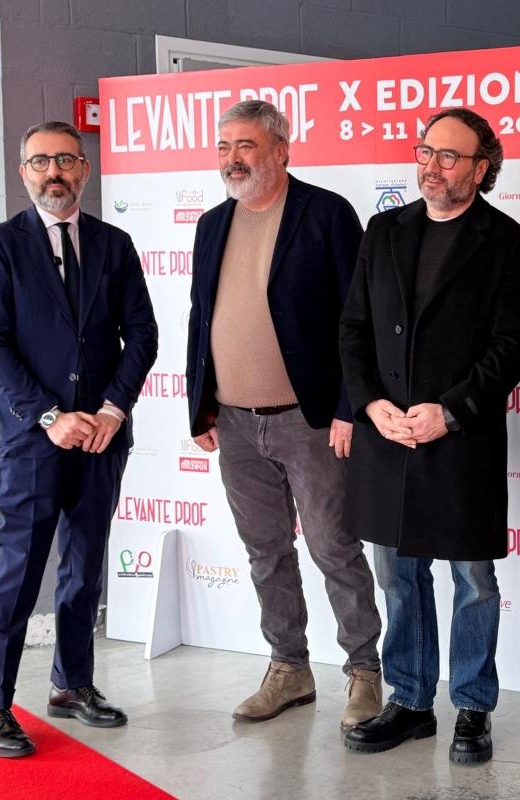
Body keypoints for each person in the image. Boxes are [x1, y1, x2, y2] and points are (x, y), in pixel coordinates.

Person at [339, 108, 520, 764]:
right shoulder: (383, 230)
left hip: (460, 439)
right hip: (387, 437)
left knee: (473, 580)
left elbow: (512, 345)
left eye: (449, 156)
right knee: (398, 575)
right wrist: (370, 404)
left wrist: (450, 412)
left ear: (482, 168)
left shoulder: (506, 240)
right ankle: (411, 702)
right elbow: (353, 328)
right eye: (425, 152)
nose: (432, 166)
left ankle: (473, 707)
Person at [186, 100, 383, 729]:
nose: (232, 159)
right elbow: (200, 318)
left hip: (312, 419)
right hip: (235, 422)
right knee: (265, 550)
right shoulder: (212, 224)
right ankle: (289, 667)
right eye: (223, 147)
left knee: (334, 547)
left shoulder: (326, 214)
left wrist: (350, 407)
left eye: (244, 145)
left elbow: (359, 319)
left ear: (281, 149)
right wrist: (201, 405)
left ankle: (364, 671)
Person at [0, 121, 158, 757]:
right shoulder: (0, 247)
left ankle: (72, 684)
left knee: (83, 567)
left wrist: (111, 410)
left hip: (103, 438)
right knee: (19, 571)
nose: (54, 172)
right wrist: (52, 416)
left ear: (84, 169)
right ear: (23, 171)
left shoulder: (114, 244)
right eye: (40, 161)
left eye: (67, 160)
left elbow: (143, 333)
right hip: (33, 440)